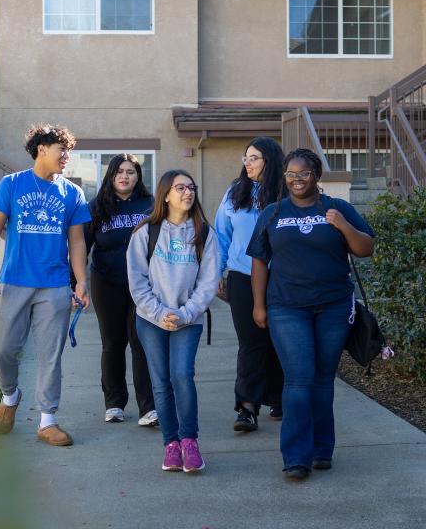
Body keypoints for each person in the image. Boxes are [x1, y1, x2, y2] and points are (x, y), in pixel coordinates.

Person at [247, 148, 375, 481]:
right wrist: (258, 305)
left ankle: (321, 449)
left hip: (333, 306)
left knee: (322, 379)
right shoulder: (273, 213)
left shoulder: (338, 208)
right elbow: (259, 260)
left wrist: (343, 225)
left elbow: (366, 248)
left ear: (316, 175)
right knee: (299, 378)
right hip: (287, 306)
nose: (297, 180)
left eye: (304, 174)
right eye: (291, 174)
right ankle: (296, 456)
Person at [0, 124, 92, 447]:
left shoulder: (72, 193)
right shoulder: (11, 185)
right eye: (62, 150)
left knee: (50, 355)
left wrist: (81, 281)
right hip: (14, 281)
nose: (66, 156)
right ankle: (10, 395)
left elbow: (77, 242)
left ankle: (47, 421)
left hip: (54, 285)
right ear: (42, 149)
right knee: (2, 349)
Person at [126, 169, 220, 473]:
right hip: (150, 319)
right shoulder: (146, 232)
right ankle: (171, 444)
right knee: (161, 382)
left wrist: (184, 314)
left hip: (187, 320)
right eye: (180, 188)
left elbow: (208, 283)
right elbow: (136, 280)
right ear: (165, 194)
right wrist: (158, 313)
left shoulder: (204, 233)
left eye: (191, 187)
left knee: (182, 375)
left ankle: (190, 442)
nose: (187, 193)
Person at [214, 136, 286, 432]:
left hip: (283, 279)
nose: (247, 162)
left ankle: (280, 398)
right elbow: (221, 235)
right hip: (242, 278)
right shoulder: (235, 193)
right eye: (245, 157)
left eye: (254, 158)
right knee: (251, 342)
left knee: (281, 340)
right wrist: (217, 273)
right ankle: (247, 408)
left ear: (269, 161)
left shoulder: (286, 193)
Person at [85, 153, 158, 427]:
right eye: (119, 172)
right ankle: (114, 403)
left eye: (130, 171)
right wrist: (75, 282)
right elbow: (83, 246)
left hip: (144, 285)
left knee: (141, 342)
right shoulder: (97, 207)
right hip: (107, 283)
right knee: (113, 344)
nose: (124, 176)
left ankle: (148, 408)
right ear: (110, 176)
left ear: (138, 176)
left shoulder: (150, 205)